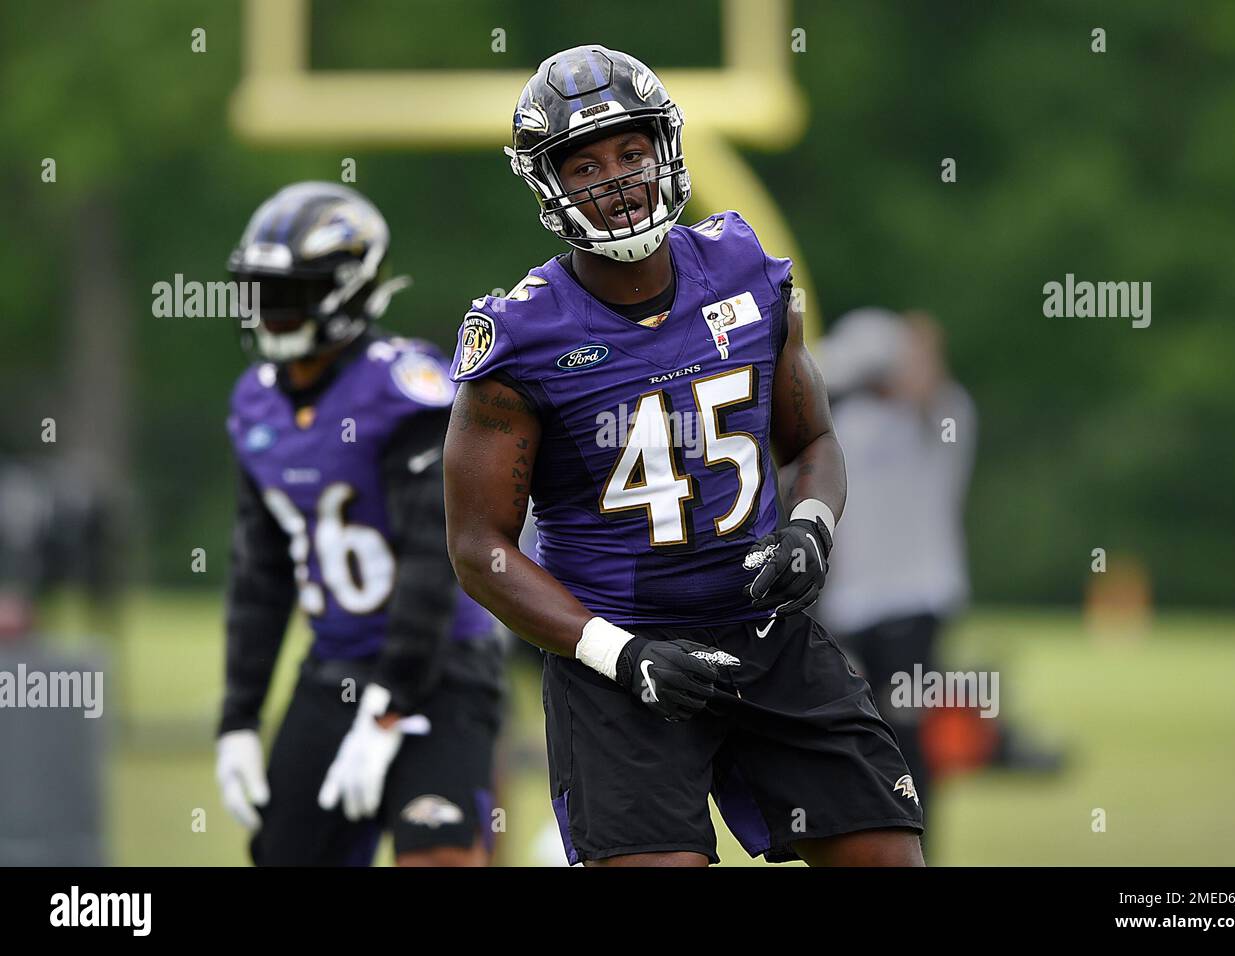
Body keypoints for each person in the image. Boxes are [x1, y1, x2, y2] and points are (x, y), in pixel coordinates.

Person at [443, 47, 924, 866]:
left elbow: (810, 440)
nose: (618, 178)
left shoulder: (744, 270)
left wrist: (810, 527)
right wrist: (617, 653)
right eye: (586, 163)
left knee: (886, 856)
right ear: (547, 184)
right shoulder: (522, 336)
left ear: (665, 149)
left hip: (766, 632)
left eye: (631, 152)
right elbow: (478, 547)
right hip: (615, 663)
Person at [216, 182, 503, 866]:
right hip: (334, 668)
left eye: (284, 296)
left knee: (439, 856)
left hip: (440, 668)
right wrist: (238, 718)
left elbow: (435, 563)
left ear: (343, 294)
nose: (268, 314)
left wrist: (388, 706)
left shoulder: (403, 390)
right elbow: (261, 577)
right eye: (259, 293)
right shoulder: (255, 403)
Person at [816, 308, 976, 837]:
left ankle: (917, 843)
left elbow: (928, 390)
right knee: (857, 733)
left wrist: (918, 350)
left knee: (906, 733)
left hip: (914, 602)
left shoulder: (942, 415)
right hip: (850, 605)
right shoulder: (846, 425)